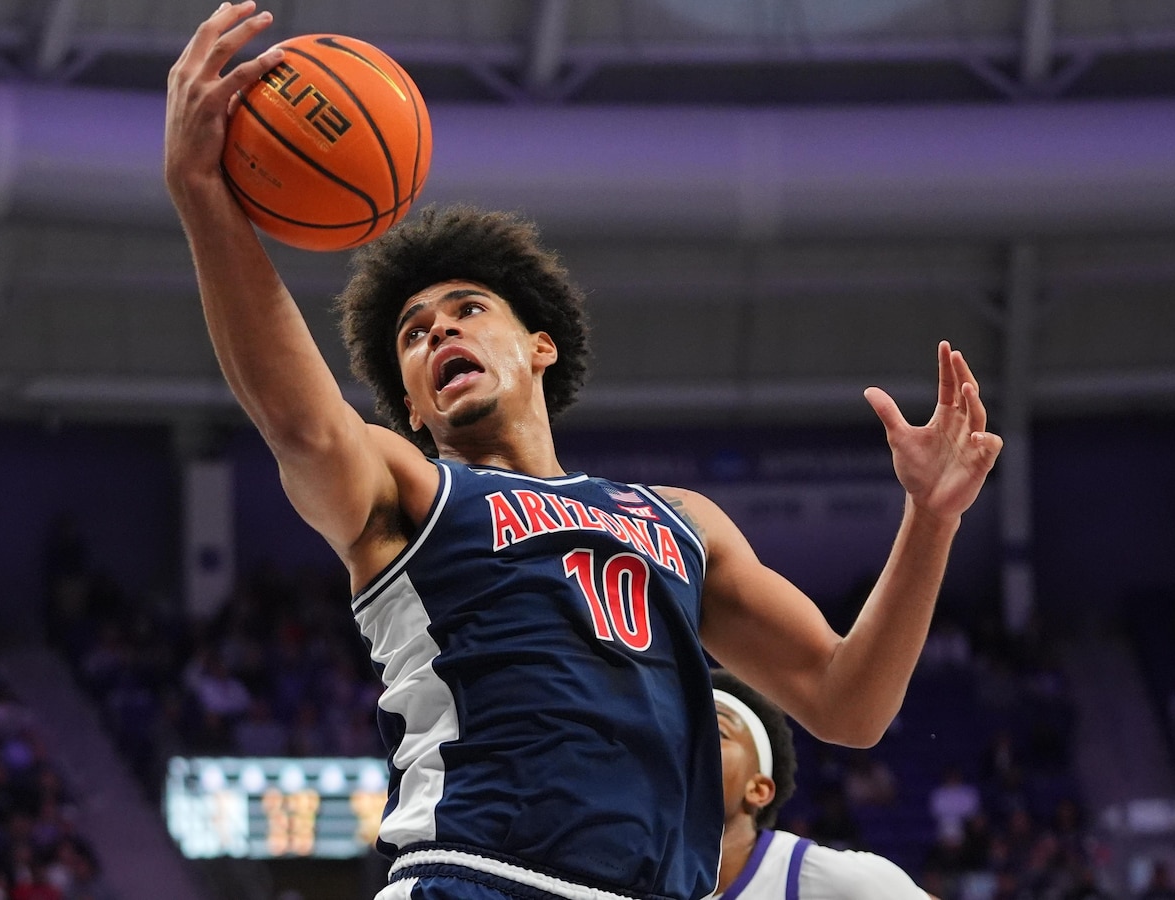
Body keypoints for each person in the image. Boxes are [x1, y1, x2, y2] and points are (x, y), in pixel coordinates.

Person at [163, 5, 1003, 899]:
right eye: (413, 334)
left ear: (540, 345)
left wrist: (932, 518)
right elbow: (302, 424)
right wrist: (204, 199)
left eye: (467, 309)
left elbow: (850, 704)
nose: (438, 327)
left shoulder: (679, 521)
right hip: (477, 877)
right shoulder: (412, 490)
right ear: (410, 403)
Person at [707, 669, 930, 900]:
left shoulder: (834, 880)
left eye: (717, 733)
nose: (684, 745)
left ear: (757, 790)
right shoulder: (667, 877)